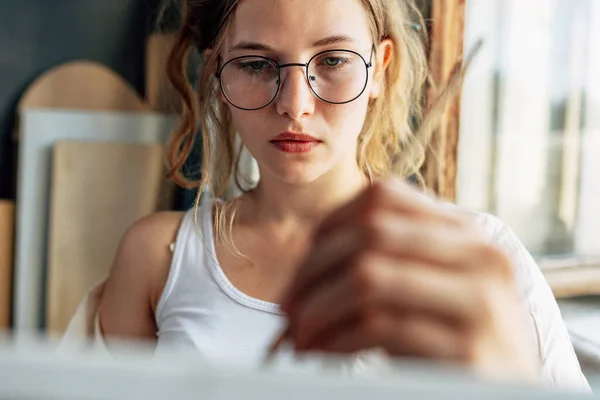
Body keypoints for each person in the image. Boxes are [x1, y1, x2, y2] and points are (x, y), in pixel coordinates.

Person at [96, 0, 590, 391]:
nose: (295, 105)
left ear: (379, 68)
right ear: (218, 73)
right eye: (255, 63)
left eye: (332, 60)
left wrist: (503, 377)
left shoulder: (479, 258)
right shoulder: (156, 258)